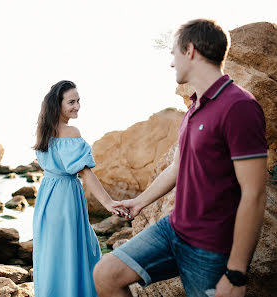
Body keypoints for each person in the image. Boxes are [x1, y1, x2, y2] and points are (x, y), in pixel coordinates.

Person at [93, 19, 268, 297]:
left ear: (190, 50)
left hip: (210, 247)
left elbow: (255, 193)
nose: (172, 62)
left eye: (174, 53)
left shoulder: (239, 106)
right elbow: (178, 166)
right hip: (173, 230)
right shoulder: (195, 107)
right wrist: (139, 202)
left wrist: (236, 272)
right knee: (106, 274)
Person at [32, 80, 126, 296]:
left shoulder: (43, 131)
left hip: (47, 198)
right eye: (71, 102)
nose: (77, 106)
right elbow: (86, 173)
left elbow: (48, 163)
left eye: (78, 101)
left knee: (52, 255)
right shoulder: (70, 131)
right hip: (65, 198)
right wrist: (108, 203)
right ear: (58, 104)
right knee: (77, 252)